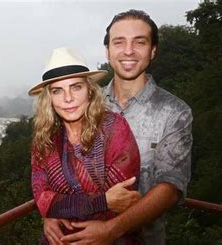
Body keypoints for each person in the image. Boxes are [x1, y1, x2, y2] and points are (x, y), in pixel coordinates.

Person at [60, 9, 193, 244]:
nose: (128, 51)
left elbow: (171, 187)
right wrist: (50, 214)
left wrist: (111, 230)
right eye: (119, 42)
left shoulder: (174, 112)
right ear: (108, 51)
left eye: (139, 42)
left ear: (153, 50)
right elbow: (59, 171)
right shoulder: (82, 105)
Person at [29, 47, 142, 244]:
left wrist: (60, 206)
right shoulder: (45, 139)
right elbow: (43, 200)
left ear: (89, 90)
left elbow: (123, 197)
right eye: (57, 91)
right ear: (49, 99)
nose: (68, 98)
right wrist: (102, 200)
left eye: (76, 87)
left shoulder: (114, 128)